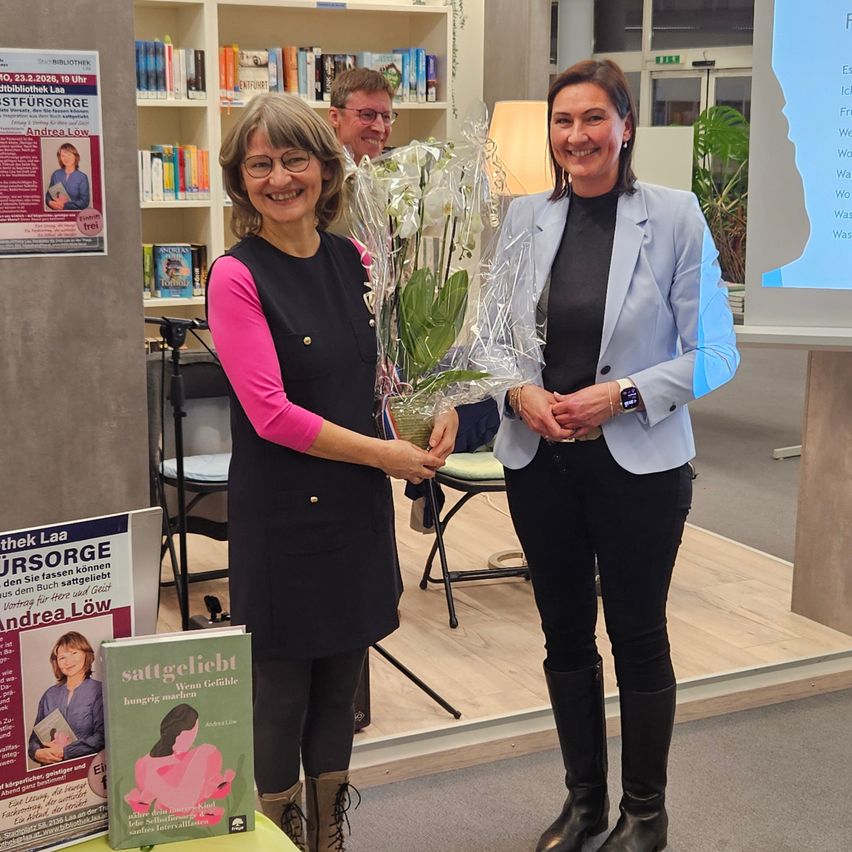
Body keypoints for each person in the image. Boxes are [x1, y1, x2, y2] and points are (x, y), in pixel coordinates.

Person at [489, 60, 739, 852]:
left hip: (639, 467)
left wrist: (622, 394)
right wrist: (518, 393)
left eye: (593, 119)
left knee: (637, 633)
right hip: (540, 463)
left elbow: (714, 355)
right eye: (563, 122)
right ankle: (584, 805)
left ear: (625, 125)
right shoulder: (524, 217)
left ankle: (645, 815)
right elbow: (495, 344)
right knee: (563, 634)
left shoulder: (674, 216)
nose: (577, 136)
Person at [207, 92, 457, 851]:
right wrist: (386, 455)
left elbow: (382, 379)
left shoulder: (359, 262)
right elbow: (271, 414)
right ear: (239, 178)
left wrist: (431, 408)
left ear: (325, 168)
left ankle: (329, 839)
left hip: (350, 511)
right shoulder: (235, 277)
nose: (279, 178)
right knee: (281, 693)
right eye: (260, 164)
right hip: (282, 517)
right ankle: (280, 839)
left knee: (340, 689)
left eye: (294, 160)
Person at [125, 703, 235, 825]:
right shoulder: (149, 764)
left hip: (177, 805)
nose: (193, 737)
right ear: (177, 734)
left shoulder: (153, 760)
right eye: (191, 733)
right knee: (206, 750)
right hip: (179, 804)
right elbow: (179, 800)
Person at [28, 631, 104, 765]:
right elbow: (34, 740)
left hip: (87, 769)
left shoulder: (99, 690)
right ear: (56, 662)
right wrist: (37, 753)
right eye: (62, 657)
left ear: (87, 654)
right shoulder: (49, 695)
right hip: (52, 770)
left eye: (74, 653)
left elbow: (102, 737)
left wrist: (66, 751)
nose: (68, 661)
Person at [328, 67, 396, 165]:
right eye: (367, 115)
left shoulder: (395, 176)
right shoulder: (318, 177)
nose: (380, 128)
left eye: (386, 117)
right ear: (335, 117)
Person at [45, 142, 90, 210]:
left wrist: (65, 205)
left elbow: (84, 203)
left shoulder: (82, 177)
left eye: (69, 155)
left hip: (74, 216)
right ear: (60, 158)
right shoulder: (56, 174)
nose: (66, 158)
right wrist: (50, 202)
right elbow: (48, 195)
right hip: (57, 215)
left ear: (75, 156)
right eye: (63, 156)